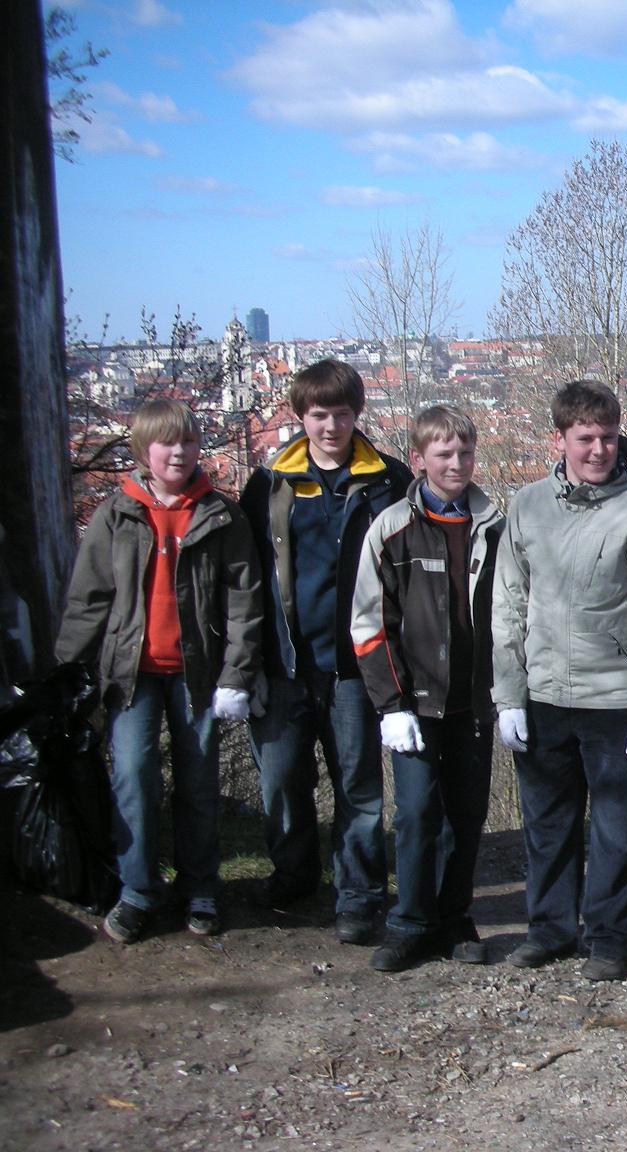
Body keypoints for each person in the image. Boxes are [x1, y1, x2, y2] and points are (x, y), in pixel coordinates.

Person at [491, 381, 627, 982]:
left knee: (617, 829)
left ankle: (610, 939)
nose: (599, 449)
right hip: (544, 695)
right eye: (586, 438)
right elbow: (508, 604)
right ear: (561, 439)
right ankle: (549, 929)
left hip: (616, 698)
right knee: (547, 824)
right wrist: (508, 695)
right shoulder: (526, 506)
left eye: (607, 437)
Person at [56, 399, 261, 943]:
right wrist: (66, 669)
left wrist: (236, 675)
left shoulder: (220, 514)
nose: (179, 451)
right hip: (131, 675)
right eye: (167, 442)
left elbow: (244, 601)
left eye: (189, 441)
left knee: (198, 783)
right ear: (144, 451)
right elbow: (89, 598)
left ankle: (200, 887)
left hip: (198, 674)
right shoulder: (117, 514)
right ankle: (138, 890)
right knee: (133, 779)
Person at [241, 359, 412, 945]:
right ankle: (292, 876)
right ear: (300, 416)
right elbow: (252, 578)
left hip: (355, 663)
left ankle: (359, 895)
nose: (331, 426)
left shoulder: (389, 480)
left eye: (342, 413)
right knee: (282, 779)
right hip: (287, 660)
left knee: (357, 784)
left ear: (357, 414)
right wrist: (252, 665)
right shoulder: (269, 485)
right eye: (320, 415)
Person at [350, 405, 505, 972]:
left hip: (473, 701)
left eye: (465, 452)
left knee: (467, 814)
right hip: (414, 700)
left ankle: (455, 917)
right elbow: (370, 624)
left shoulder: (494, 525)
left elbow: (513, 613)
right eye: (444, 454)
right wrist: (391, 704)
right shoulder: (391, 529)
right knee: (416, 813)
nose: (457, 463)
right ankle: (410, 921)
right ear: (419, 460)